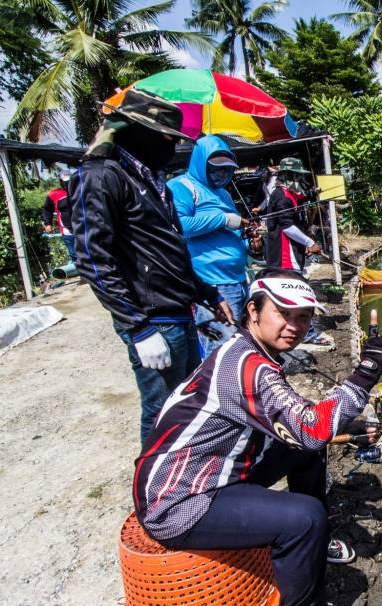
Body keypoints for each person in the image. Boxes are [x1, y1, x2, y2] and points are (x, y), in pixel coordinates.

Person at [133, 270, 382, 606]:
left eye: (304, 316)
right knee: (305, 517)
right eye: (283, 313)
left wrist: (349, 423)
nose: (295, 326)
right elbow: (310, 427)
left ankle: (312, 544)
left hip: (218, 470)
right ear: (253, 311)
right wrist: (367, 371)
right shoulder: (249, 367)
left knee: (306, 451)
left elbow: (299, 425)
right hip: (179, 501)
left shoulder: (249, 350)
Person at [70, 89, 234, 442]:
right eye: (165, 139)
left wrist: (207, 293)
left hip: (179, 311)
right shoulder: (102, 176)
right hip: (153, 318)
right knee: (161, 411)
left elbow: (170, 250)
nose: (171, 148)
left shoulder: (151, 180)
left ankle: (184, 474)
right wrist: (138, 328)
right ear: (136, 131)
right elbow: (94, 259)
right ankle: (155, 492)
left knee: (187, 403)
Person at [168, 135, 250, 356]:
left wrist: (249, 240)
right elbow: (180, 225)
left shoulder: (223, 193)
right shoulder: (181, 186)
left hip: (238, 279)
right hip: (213, 283)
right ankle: (214, 389)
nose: (222, 174)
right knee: (219, 346)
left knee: (239, 342)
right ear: (200, 163)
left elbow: (233, 231)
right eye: (216, 169)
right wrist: (223, 219)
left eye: (227, 169)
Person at [265, 157, 320, 271]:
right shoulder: (282, 196)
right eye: (298, 176)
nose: (301, 179)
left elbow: (300, 197)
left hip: (290, 253)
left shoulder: (287, 193)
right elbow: (287, 227)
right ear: (289, 176)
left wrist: (312, 192)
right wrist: (310, 243)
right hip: (285, 257)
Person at [42, 171, 76, 264]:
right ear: (61, 181)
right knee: (74, 254)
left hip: (83, 228)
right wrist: (47, 223)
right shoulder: (54, 194)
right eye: (65, 181)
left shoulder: (80, 190)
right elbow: (46, 209)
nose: (67, 183)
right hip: (67, 230)